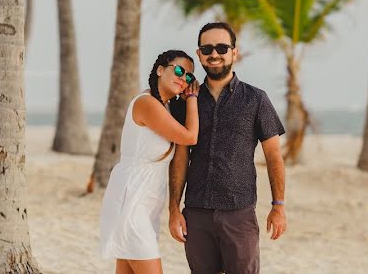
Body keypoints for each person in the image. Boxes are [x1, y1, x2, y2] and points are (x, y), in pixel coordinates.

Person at [168, 22, 287, 274]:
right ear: (199, 54)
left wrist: (278, 206)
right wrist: (173, 209)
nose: (214, 54)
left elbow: (274, 155)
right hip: (196, 213)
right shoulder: (187, 101)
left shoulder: (256, 99)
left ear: (234, 52)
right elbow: (180, 156)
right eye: (207, 48)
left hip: (239, 213)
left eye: (222, 47)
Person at [100, 50, 201, 274]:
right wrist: (192, 99)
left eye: (189, 77)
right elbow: (190, 136)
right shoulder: (147, 103)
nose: (183, 78)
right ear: (160, 70)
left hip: (145, 204)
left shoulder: (164, 107)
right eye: (178, 70)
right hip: (132, 202)